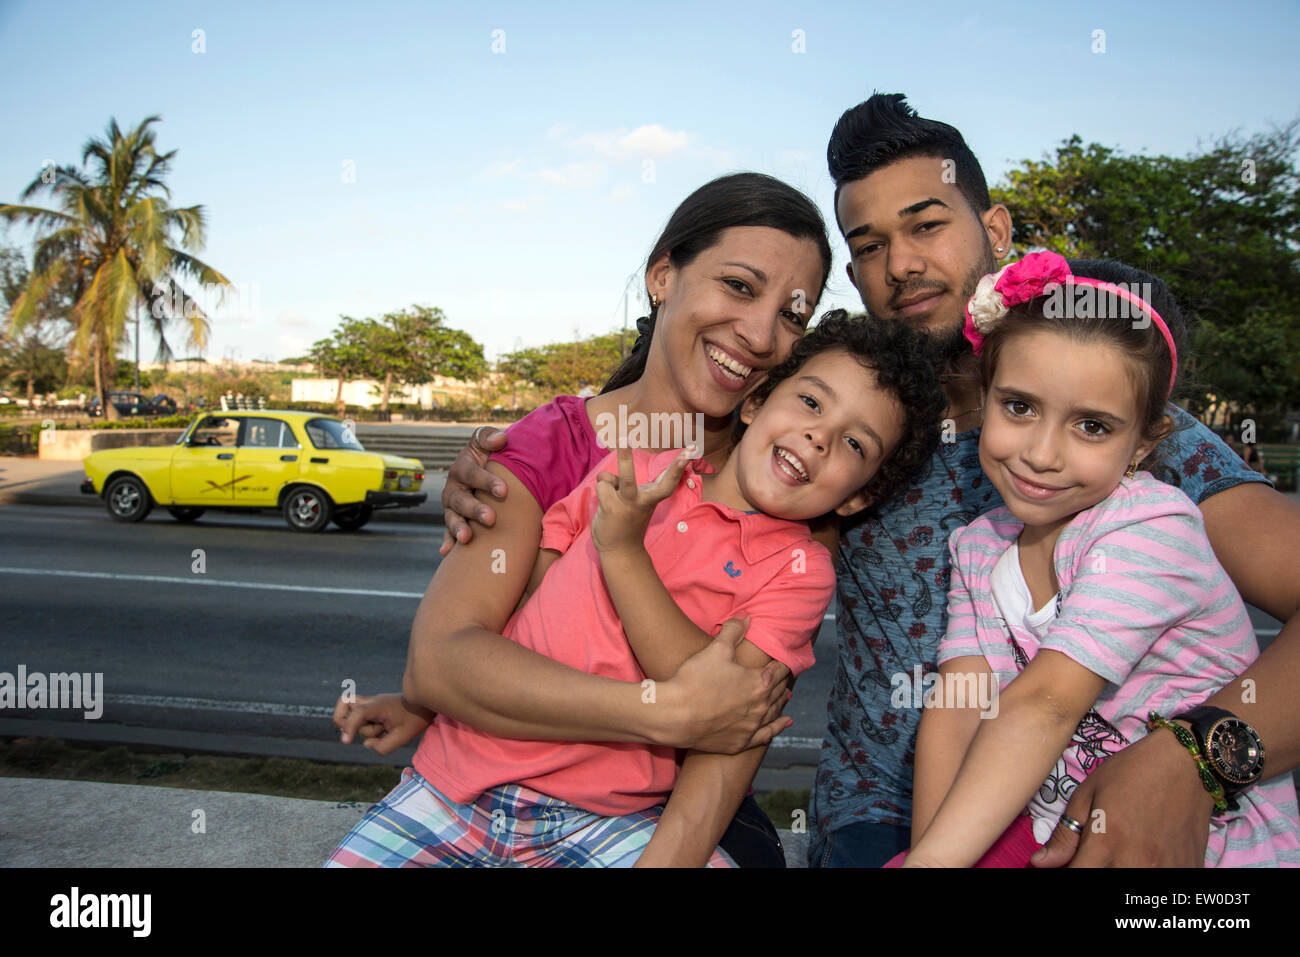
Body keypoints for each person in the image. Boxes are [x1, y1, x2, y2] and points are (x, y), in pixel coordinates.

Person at [439, 94, 1300, 868]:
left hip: (1088, 806)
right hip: (874, 819)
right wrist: (507, 463)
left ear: (996, 233)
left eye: (928, 225)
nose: (902, 264)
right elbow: (647, 448)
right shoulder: (817, 441)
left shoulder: (1120, 438)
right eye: (870, 246)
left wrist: (1197, 756)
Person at [336, 172, 841, 866]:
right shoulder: (548, 448)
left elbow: (738, 723)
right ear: (663, 275)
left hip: (656, 817)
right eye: (740, 286)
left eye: (792, 313)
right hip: (479, 789)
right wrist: (666, 709)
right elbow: (443, 661)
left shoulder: (788, 490)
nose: (760, 333)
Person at [327, 314, 946, 866]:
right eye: (811, 402)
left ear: (861, 494)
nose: (820, 436)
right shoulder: (639, 466)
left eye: (856, 443)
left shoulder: (799, 573)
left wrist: (623, 552)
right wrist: (431, 704)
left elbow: (710, 701)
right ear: (755, 402)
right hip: (453, 784)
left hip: (608, 818)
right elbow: (524, 612)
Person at [893, 252, 1299, 867]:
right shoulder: (975, 546)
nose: (1042, 454)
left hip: (1210, 853)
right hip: (1053, 834)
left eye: (1091, 426)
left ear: (1144, 443)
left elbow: (1048, 703)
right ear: (984, 399)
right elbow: (957, 707)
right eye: (1020, 407)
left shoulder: (1151, 530)